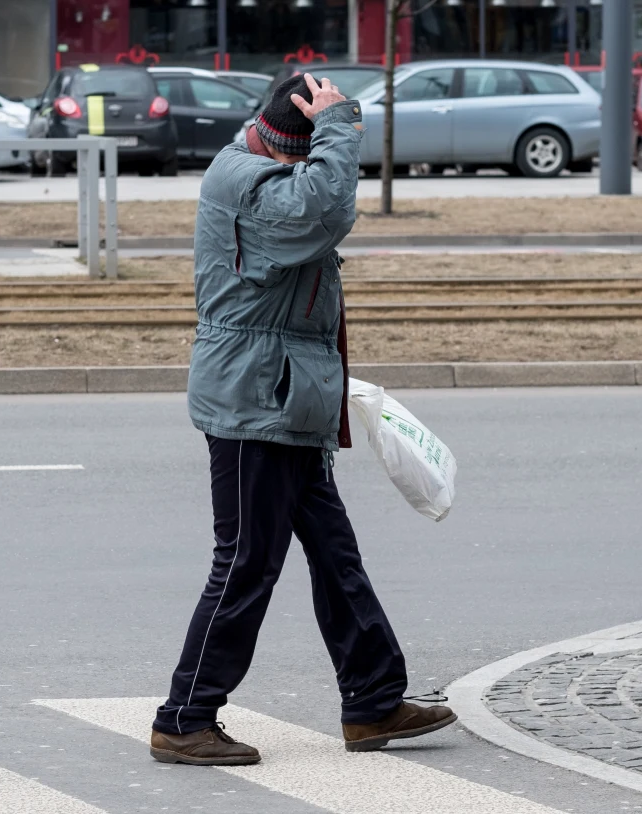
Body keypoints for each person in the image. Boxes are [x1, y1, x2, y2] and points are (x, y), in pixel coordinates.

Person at [148, 73, 456, 766]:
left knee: (335, 556)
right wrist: (339, 132)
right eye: (311, 152)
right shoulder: (244, 181)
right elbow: (322, 210)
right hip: (253, 401)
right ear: (290, 144)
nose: (318, 165)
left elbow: (320, 199)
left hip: (288, 397)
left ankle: (373, 701)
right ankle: (184, 718)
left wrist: (332, 136)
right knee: (245, 563)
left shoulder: (271, 169)